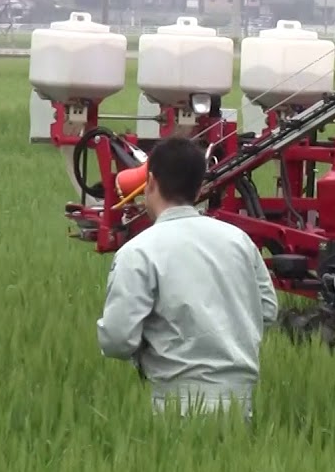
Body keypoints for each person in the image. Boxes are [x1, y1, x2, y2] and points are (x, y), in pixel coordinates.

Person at [96, 136, 280, 419]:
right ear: (200, 187)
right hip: (240, 405)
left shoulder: (139, 251)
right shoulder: (239, 241)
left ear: (151, 182)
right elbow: (267, 309)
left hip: (173, 406)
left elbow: (117, 339)